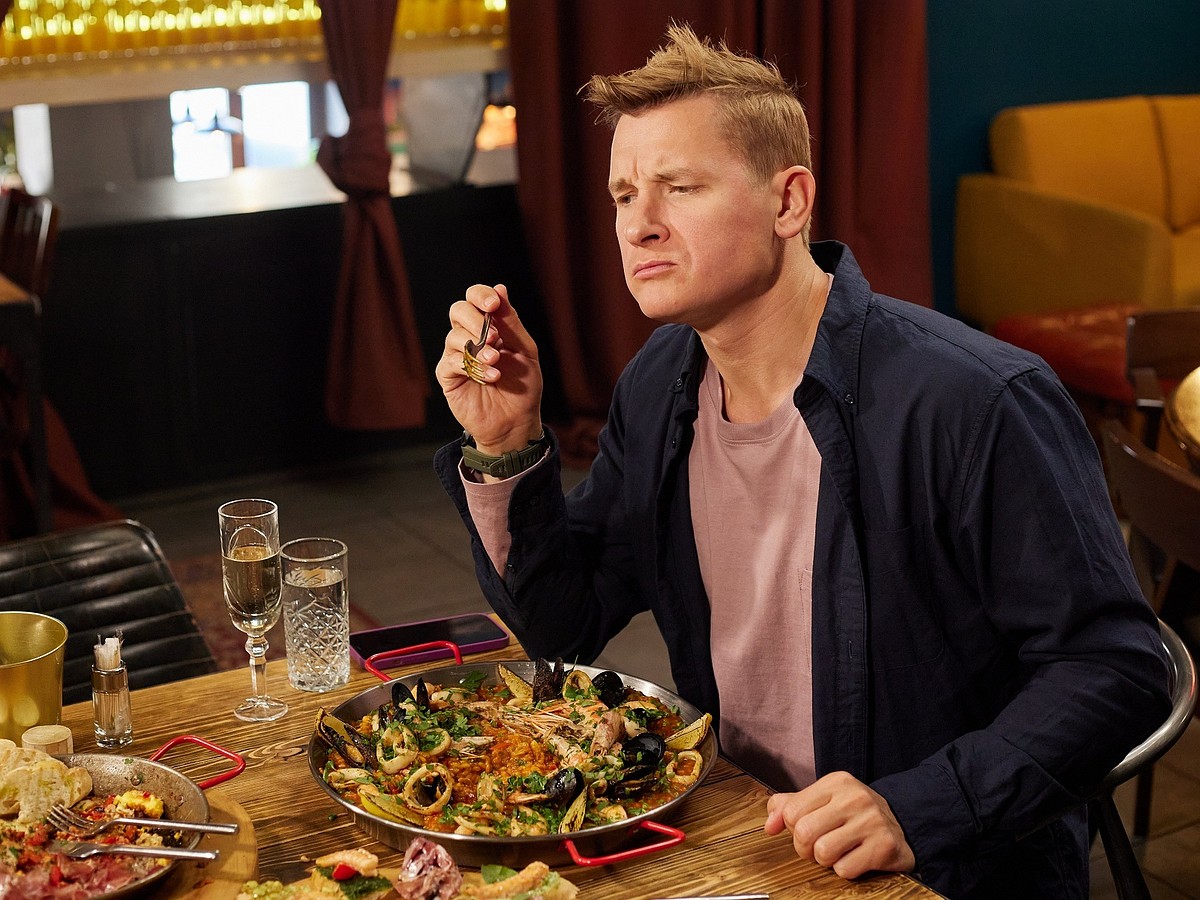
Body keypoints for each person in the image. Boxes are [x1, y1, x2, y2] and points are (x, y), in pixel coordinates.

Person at [432, 24, 1170, 899]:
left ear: (789, 203)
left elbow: (1117, 669)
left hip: (939, 873)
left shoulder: (974, 400)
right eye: (624, 194)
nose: (639, 224)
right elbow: (563, 624)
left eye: (680, 187)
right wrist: (507, 443)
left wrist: (917, 809)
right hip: (745, 839)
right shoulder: (660, 384)